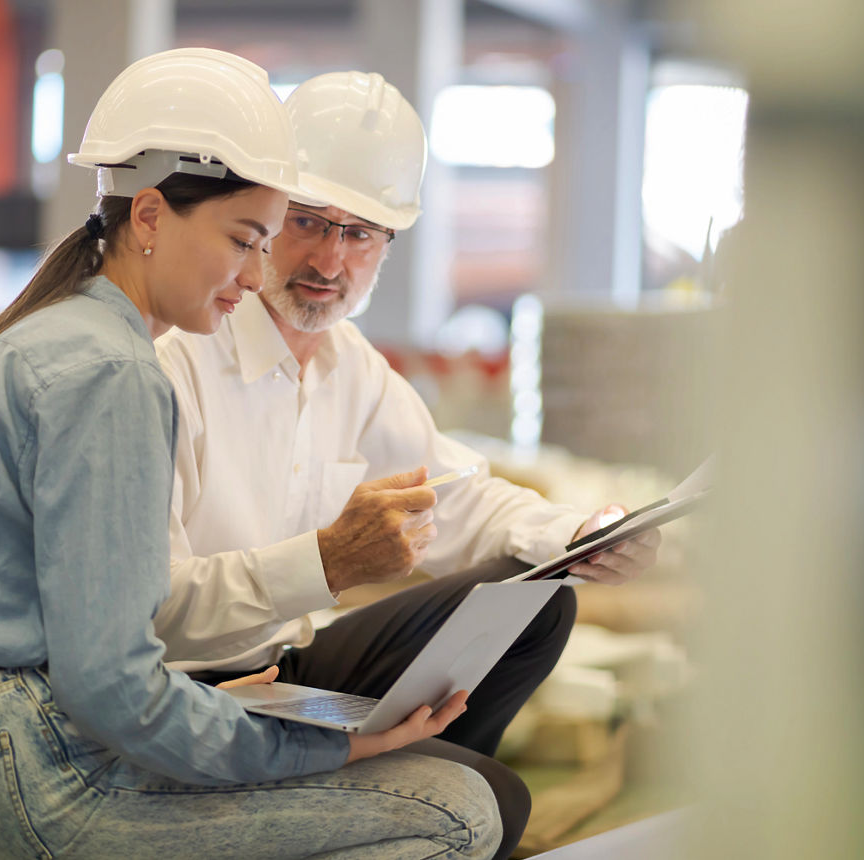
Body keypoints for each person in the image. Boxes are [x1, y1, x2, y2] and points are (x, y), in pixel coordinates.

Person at [0, 50, 502, 860]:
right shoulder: (117, 371)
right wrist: (334, 747)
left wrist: (207, 708)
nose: (254, 275)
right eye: (244, 240)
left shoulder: (53, 335)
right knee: (456, 808)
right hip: (39, 780)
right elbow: (111, 688)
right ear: (153, 216)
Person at [154, 71, 663, 858]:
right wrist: (321, 562)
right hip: (184, 693)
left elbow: (453, 499)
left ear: (387, 245)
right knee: (497, 801)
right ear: (264, 214)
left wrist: (581, 531)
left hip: (282, 674)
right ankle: (413, 808)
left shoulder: (347, 366)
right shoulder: (178, 359)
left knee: (537, 599)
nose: (331, 258)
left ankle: (399, 802)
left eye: (360, 234)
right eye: (312, 223)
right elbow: (144, 609)